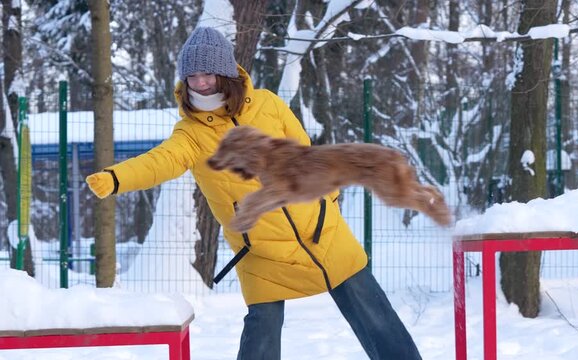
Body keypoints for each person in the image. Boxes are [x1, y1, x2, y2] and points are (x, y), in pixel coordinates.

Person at [86, 26, 421, 360]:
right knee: (263, 324)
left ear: (225, 72)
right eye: (192, 76)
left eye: (207, 73)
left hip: (321, 228)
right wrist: (116, 178)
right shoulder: (190, 133)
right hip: (260, 248)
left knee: (370, 307)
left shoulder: (268, 104)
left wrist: (327, 200)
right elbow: (161, 161)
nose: (200, 82)